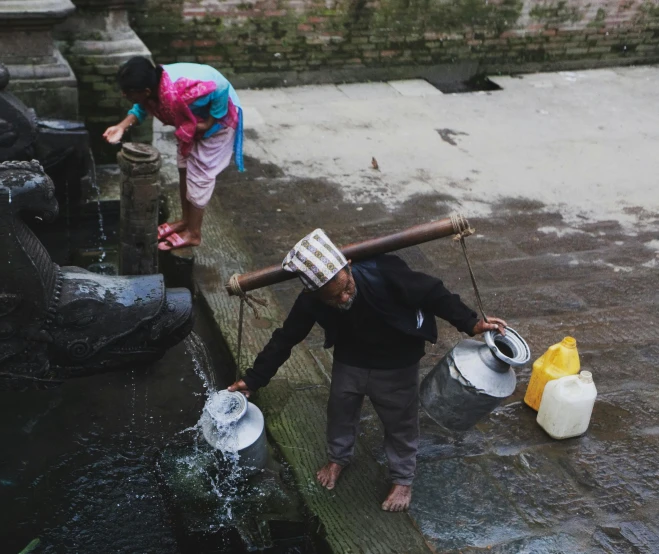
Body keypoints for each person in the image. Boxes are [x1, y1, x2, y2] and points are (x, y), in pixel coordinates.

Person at [228, 229, 507, 512]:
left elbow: (434, 293)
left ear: (348, 266)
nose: (344, 299)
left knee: (401, 422)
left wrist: (471, 323)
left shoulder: (384, 272)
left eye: (346, 289)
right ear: (314, 293)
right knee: (340, 409)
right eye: (333, 299)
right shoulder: (311, 299)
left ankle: (402, 479)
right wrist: (253, 379)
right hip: (351, 358)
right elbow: (286, 338)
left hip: (397, 360)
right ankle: (338, 457)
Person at [103, 57, 244, 252]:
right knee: (184, 169)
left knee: (200, 177)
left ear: (145, 91)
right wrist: (120, 127)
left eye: (128, 92)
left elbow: (220, 86)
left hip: (217, 125)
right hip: (192, 124)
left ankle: (194, 233)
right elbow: (142, 107)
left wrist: (210, 122)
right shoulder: (153, 87)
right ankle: (186, 221)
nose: (123, 94)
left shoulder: (180, 90)